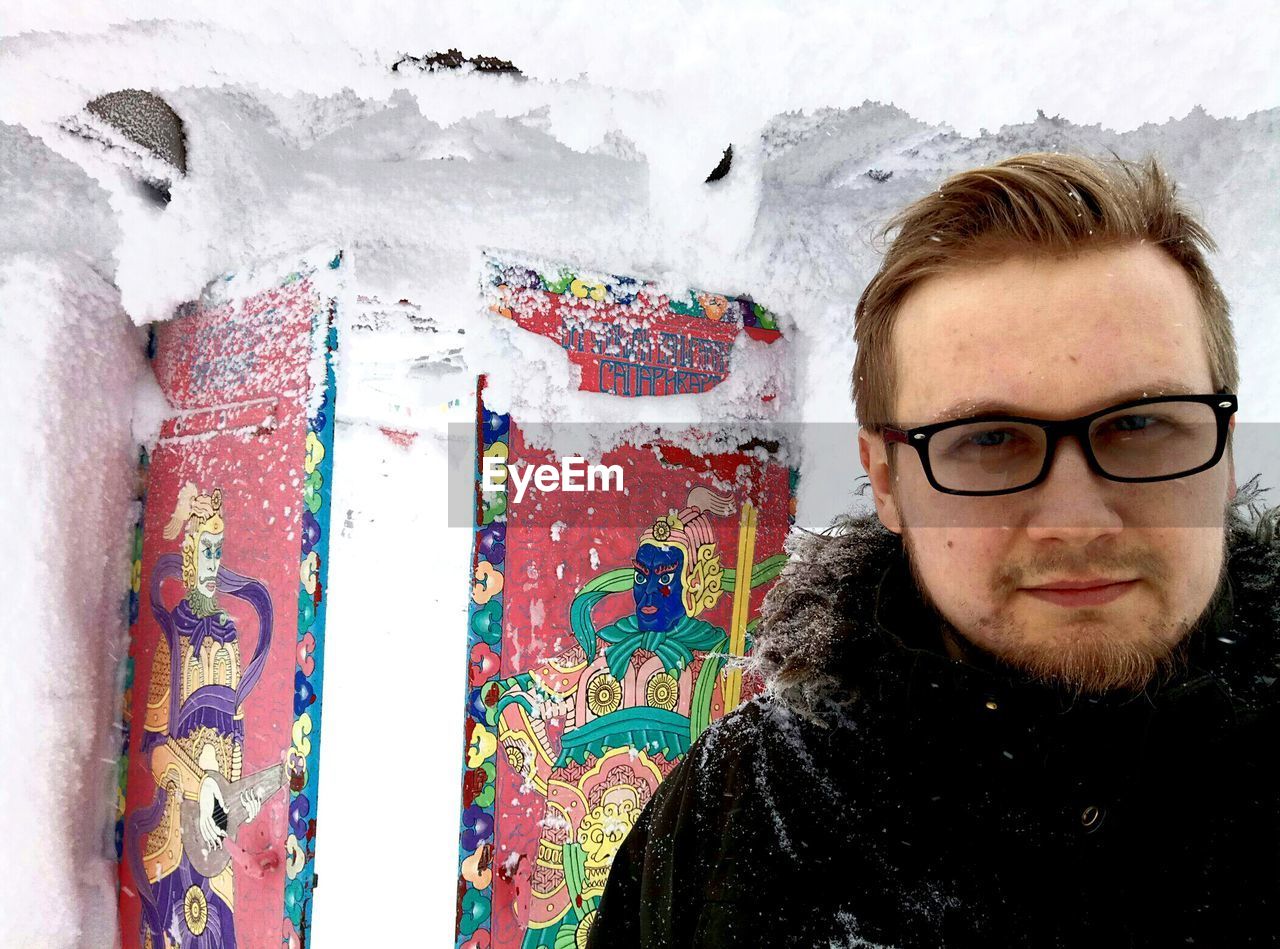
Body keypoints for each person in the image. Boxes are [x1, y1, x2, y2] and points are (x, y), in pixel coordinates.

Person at [585, 152, 1280, 947]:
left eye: (1141, 424)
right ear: (886, 480)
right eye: (988, 438)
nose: (1078, 519)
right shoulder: (738, 814)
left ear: (1225, 448)